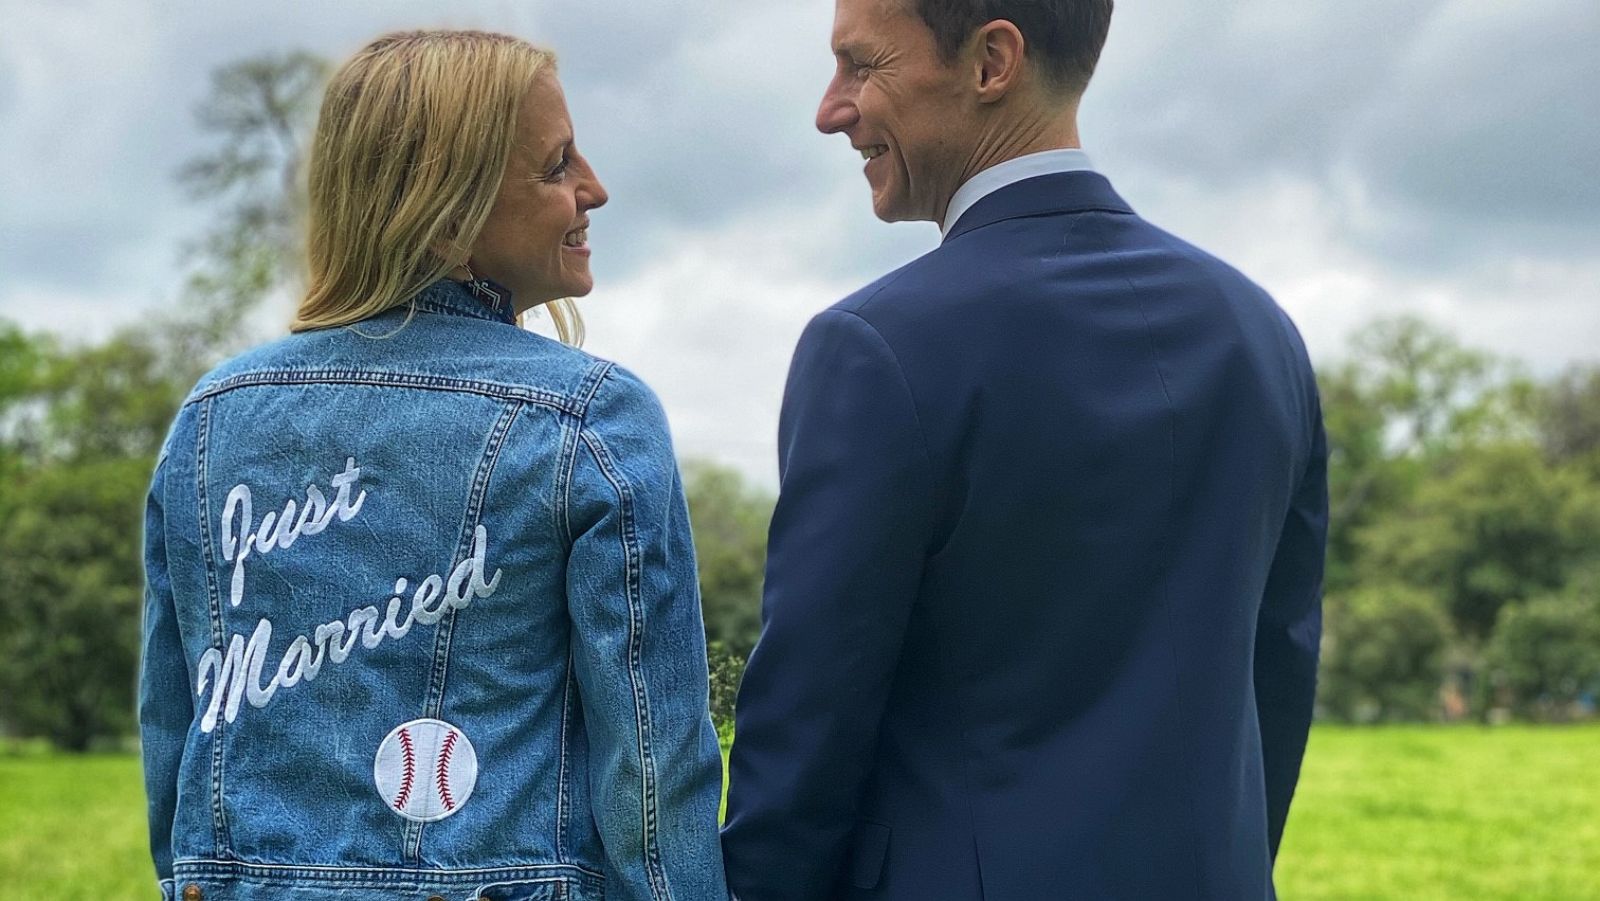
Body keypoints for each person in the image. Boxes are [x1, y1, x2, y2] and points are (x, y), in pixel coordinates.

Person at [721, 1, 1327, 898]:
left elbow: (808, 728)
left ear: (991, 62)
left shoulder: (875, 347)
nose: (831, 107)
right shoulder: (1260, 333)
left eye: (862, 65)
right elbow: (1278, 671)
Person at [139, 30, 729, 901]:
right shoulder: (590, 420)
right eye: (556, 164)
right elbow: (654, 766)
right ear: (446, 211)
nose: (594, 187)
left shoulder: (209, 420)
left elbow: (175, 743)